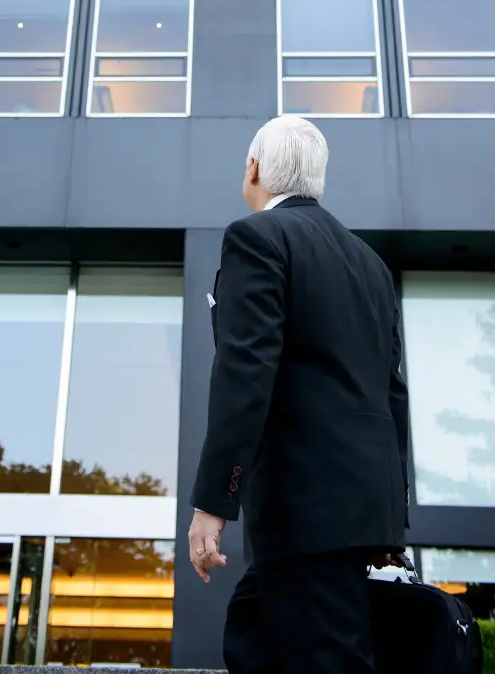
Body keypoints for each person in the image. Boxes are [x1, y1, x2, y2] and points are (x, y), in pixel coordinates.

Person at [187, 115, 409, 674]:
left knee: (326, 657)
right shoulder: (372, 265)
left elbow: (245, 370)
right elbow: (393, 393)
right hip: (353, 512)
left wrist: (214, 502)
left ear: (255, 169)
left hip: (301, 507)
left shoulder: (255, 237)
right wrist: (388, 520)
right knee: (252, 630)